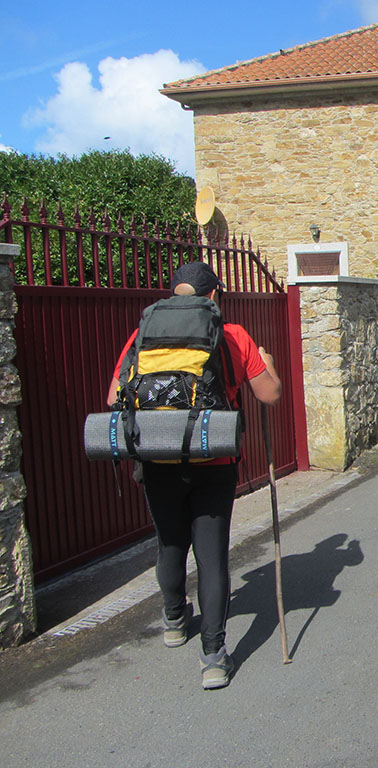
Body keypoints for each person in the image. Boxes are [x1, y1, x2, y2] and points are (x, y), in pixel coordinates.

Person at [106, 261, 281, 690]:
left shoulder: (144, 332)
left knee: (169, 542)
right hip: (213, 461)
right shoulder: (232, 334)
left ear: (174, 293)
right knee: (212, 556)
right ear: (214, 295)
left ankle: (173, 619)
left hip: (157, 459)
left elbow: (114, 396)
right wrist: (267, 363)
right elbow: (270, 394)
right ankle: (214, 658)